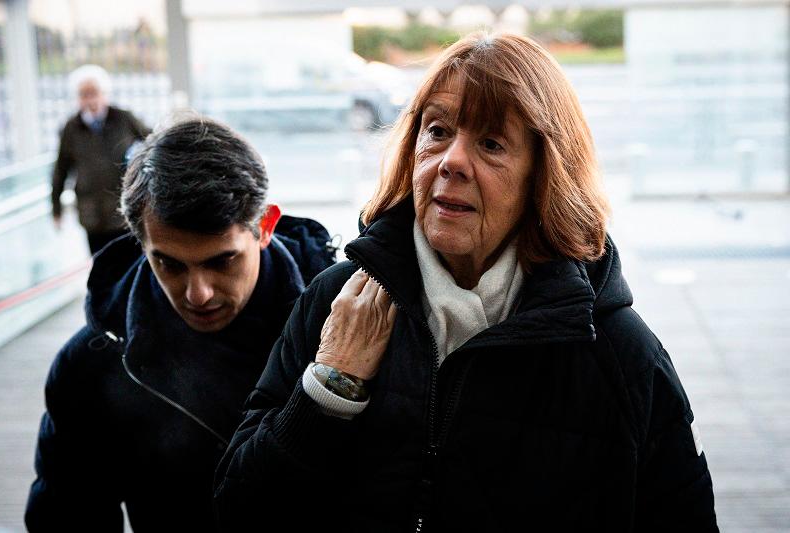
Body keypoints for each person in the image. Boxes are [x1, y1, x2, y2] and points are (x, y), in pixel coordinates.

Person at [214, 33, 719, 532]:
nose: (452, 161)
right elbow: (239, 511)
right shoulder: (338, 301)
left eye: (491, 143)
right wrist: (330, 387)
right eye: (437, 131)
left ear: (544, 174)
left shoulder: (619, 354)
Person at [26, 117, 336, 531]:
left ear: (264, 226)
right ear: (141, 243)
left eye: (221, 260)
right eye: (168, 264)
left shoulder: (344, 325)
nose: (198, 293)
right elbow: (66, 516)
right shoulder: (91, 366)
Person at [51, 64, 151, 254]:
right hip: (92, 216)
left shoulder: (124, 118)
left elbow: (151, 142)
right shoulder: (71, 128)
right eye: (83, 94)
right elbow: (61, 169)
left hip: (125, 213)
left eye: (94, 93)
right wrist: (56, 209)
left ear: (104, 93)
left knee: (131, 267)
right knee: (102, 271)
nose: (90, 100)